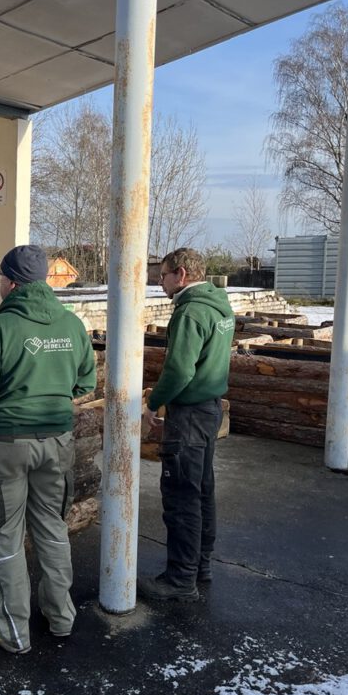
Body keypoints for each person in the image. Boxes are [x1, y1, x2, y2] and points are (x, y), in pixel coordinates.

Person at [0, 244, 96, 654]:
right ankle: (60, 618)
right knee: (53, 529)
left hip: (7, 445)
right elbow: (85, 384)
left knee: (7, 537)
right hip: (57, 442)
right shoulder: (72, 326)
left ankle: (12, 631)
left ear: (12, 281)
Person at [138, 248, 234, 602]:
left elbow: (179, 369)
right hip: (209, 409)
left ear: (180, 274)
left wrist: (151, 402)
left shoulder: (190, 312)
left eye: (161, 276)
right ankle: (200, 565)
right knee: (202, 488)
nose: (159, 282)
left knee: (181, 495)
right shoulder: (219, 306)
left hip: (189, 415)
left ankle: (180, 579)